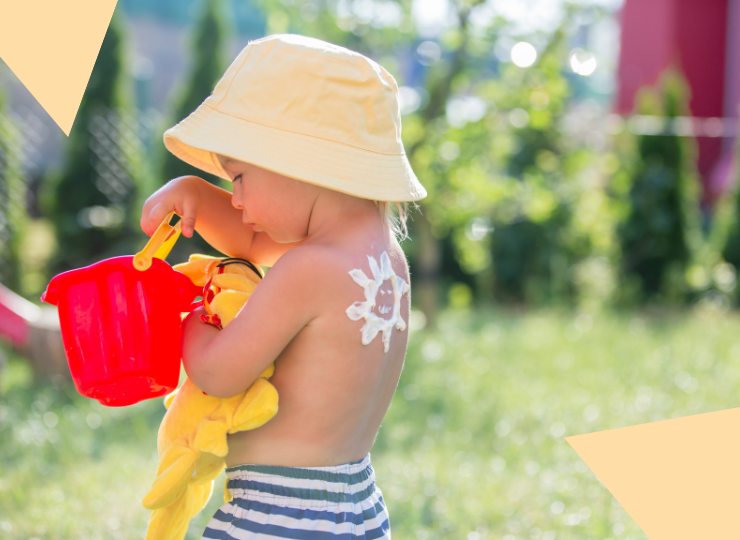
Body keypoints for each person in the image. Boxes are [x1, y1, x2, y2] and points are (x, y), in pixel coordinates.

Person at [139, 34, 427, 539]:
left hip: (278, 514)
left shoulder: (308, 267)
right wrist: (195, 197)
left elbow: (219, 373)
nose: (236, 198)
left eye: (240, 177)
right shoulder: (381, 260)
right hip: (356, 508)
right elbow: (254, 242)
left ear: (297, 161)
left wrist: (188, 314)